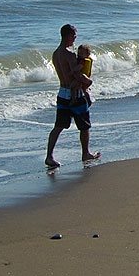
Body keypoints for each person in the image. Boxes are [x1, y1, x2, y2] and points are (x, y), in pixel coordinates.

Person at [46, 24, 101, 169]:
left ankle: (49, 156)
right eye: (74, 36)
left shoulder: (55, 54)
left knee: (58, 126)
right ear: (69, 36)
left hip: (62, 93)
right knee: (84, 126)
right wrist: (88, 81)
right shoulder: (69, 55)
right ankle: (85, 153)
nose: (75, 39)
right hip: (75, 93)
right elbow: (76, 74)